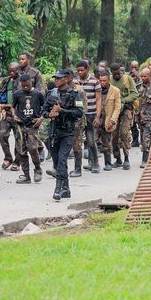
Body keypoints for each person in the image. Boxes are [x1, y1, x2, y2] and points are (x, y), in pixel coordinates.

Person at [42, 69, 83, 201]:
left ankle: (58, 189)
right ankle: (66, 189)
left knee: (62, 159)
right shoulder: (51, 93)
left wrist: (62, 111)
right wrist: (50, 114)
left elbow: (79, 113)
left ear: (66, 79)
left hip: (68, 132)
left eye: (59, 78)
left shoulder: (74, 94)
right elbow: (43, 111)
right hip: (54, 131)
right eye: (56, 78)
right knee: (57, 161)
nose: (57, 80)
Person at [11, 73, 45, 183]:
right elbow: (13, 106)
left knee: (32, 148)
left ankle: (38, 169)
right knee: (21, 150)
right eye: (23, 85)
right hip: (21, 125)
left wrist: (40, 118)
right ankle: (26, 175)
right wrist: (14, 115)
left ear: (32, 82)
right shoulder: (17, 94)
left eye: (27, 85)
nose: (25, 87)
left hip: (33, 125)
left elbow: (44, 108)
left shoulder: (38, 94)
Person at [73, 60, 102, 173]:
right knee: (76, 142)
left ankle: (95, 162)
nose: (80, 72)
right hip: (78, 115)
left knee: (90, 141)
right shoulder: (74, 81)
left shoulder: (95, 81)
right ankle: (78, 167)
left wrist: (97, 116)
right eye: (78, 70)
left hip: (90, 114)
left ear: (87, 69)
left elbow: (99, 99)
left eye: (82, 70)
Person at [110, 63, 138, 169]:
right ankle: (118, 159)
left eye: (119, 73)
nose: (117, 75)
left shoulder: (127, 79)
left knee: (123, 133)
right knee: (114, 136)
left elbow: (135, 94)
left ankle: (126, 158)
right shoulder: (109, 80)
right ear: (111, 72)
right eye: (115, 74)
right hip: (113, 111)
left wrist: (123, 100)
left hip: (126, 109)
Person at [0, 62, 22, 170]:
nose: (12, 73)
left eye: (14, 71)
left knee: (19, 138)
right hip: (6, 113)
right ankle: (8, 157)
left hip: (18, 114)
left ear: (18, 70)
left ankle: (17, 161)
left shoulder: (23, 81)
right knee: (2, 136)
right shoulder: (5, 81)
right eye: (10, 71)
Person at [97, 71, 122, 171]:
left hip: (108, 119)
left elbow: (117, 107)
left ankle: (109, 162)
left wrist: (113, 120)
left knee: (108, 141)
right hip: (98, 118)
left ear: (108, 80)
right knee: (93, 141)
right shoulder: (97, 90)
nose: (102, 83)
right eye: (101, 81)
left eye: (104, 81)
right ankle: (94, 162)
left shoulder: (115, 91)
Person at [129, 60, 142, 147]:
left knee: (141, 123)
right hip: (132, 103)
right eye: (132, 67)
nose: (133, 69)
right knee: (132, 123)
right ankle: (135, 140)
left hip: (141, 103)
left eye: (135, 67)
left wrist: (138, 76)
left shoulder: (142, 76)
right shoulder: (128, 77)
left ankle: (144, 140)